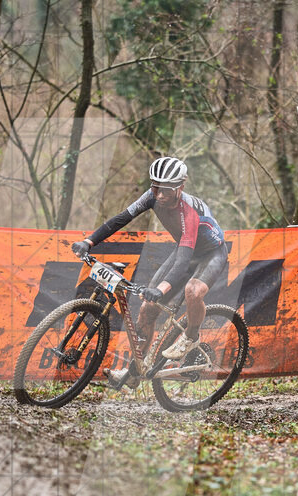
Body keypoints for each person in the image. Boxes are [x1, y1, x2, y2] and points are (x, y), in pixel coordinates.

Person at [71, 156, 228, 388]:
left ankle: (192, 336)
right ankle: (136, 372)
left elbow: (184, 260)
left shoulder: (189, 212)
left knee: (192, 291)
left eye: (165, 189)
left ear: (180, 187)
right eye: (155, 187)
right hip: (184, 251)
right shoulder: (152, 196)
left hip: (210, 254)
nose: (159, 194)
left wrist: (161, 288)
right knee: (147, 308)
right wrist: (89, 241)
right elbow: (121, 219)